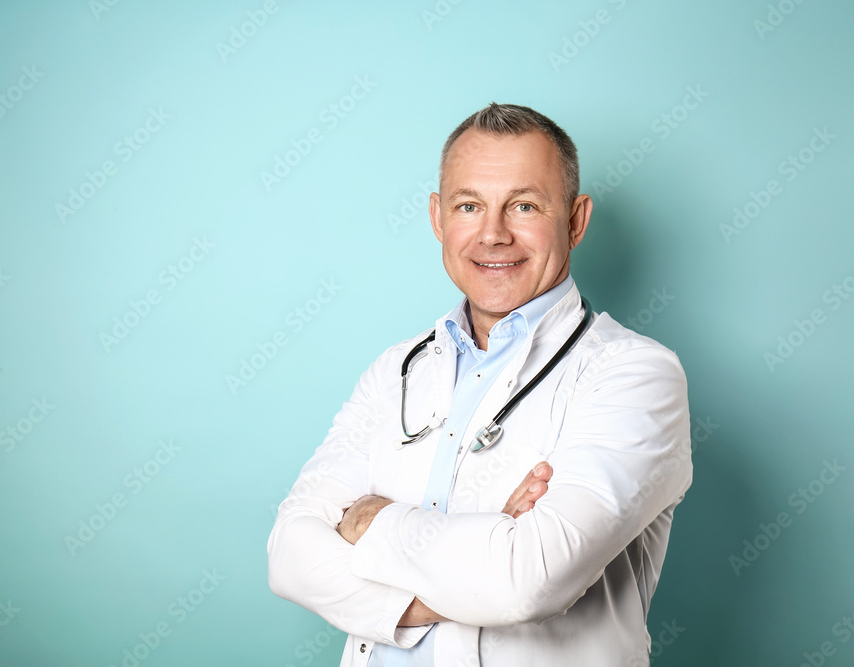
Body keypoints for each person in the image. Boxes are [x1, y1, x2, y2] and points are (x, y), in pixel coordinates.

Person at [267, 103, 692, 666]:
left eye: (524, 205)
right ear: (439, 219)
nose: (493, 235)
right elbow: (290, 558)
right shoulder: (399, 369)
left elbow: (529, 583)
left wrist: (371, 521)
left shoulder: (635, 376)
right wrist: (485, 551)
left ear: (575, 220)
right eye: (469, 206)